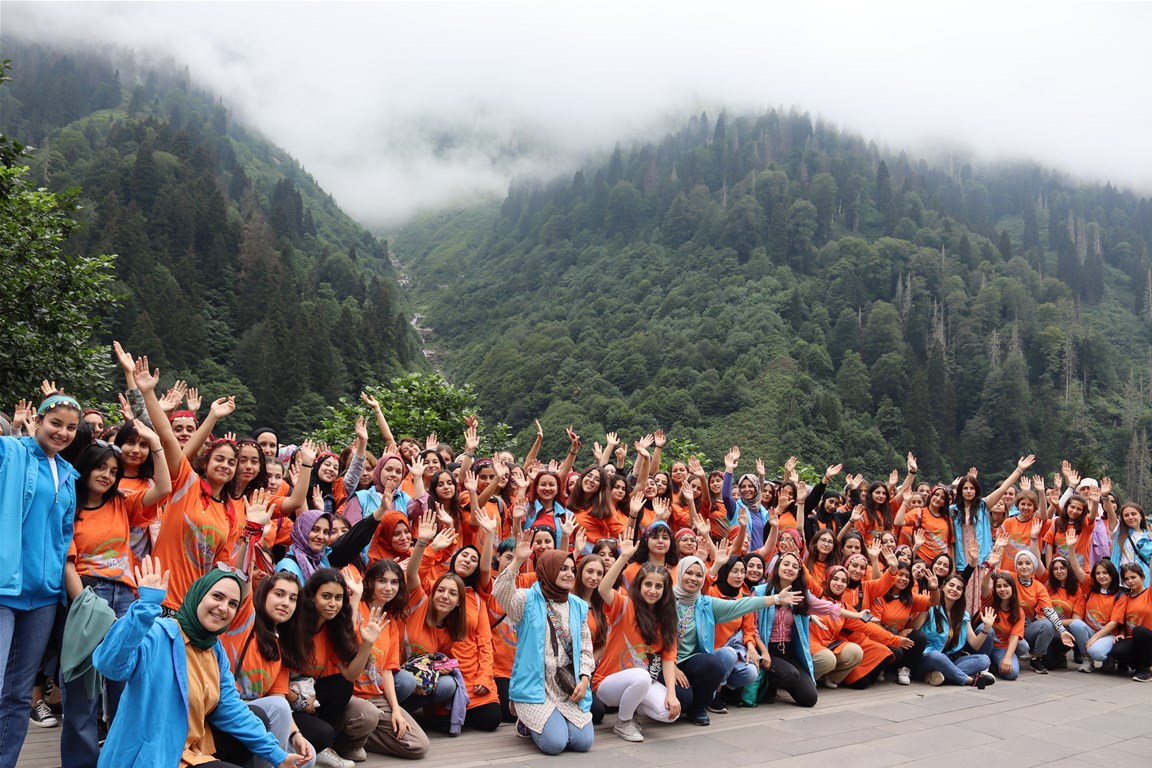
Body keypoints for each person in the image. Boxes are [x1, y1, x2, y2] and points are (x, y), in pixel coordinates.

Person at [93, 557, 311, 767]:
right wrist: (145, 606)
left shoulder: (214, 649)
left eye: (232, 603)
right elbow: (110, 665)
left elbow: (232, 709)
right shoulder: (159, 633)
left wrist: (277, 755)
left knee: (258, 719)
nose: (223, 607)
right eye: (217, 597)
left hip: (193, 749)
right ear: (198, 595)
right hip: (153, 757)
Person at [60, 424, 172, 768]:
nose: (107, 476)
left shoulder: (123, 505)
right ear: (84, 467)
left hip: (125, 596)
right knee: (82, 687)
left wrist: (154, 442)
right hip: (87, 593)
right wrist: (84, 608)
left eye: (114, 471)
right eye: (101, 468)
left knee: (124, 684)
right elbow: (67, 561)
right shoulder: (68, 505)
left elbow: (165, 487)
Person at [0, 393, 81, 768]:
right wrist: (16, 430)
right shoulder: (12, 453)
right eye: (56, 423)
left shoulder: (67, 473)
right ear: (39, 419)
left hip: (44, 597)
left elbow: (64, 533)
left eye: (71, 427)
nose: (62, 432)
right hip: (4, 588)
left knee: (18, 695)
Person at [493, 533, 594, 756]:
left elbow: (586, 648)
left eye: (571, 569)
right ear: (548, 570)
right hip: (535, 687)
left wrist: (585, 679)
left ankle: (553, 723)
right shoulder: (527, 599)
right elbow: (500, 593)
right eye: (562, 568)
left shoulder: (578, 605)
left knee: (583, 742)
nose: (569, 574)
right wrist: (518, 560)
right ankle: (527, 723)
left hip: (566, 685)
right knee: (555, 744)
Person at [916, 573, 997, 688]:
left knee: (984, 660)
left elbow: (975, 644)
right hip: (927, 658)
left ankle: (941, 677)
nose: (954, 589)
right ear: (943, 587)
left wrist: (986, 628)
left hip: (950, 660)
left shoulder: (963, 615)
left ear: (962, 593)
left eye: (959, 588)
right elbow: (913, 629)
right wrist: (924, 606)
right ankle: (969, 680)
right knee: (936, 656)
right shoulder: (931, 607)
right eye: (951, 585)